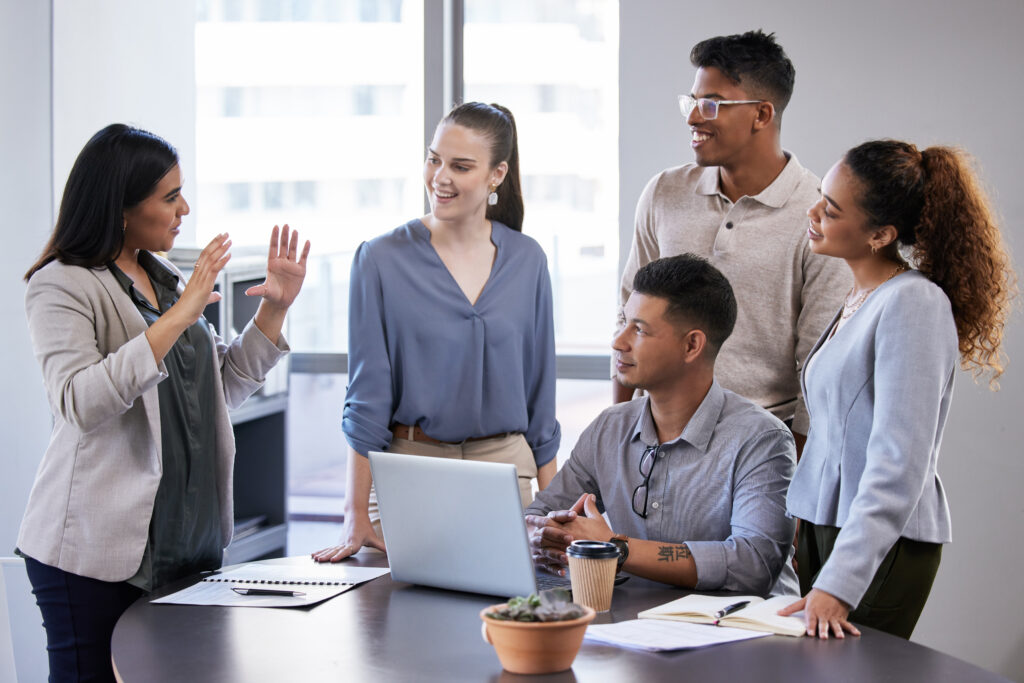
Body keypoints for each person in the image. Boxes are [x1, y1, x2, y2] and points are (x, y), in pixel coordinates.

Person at [18, 123, 310, 681]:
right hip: (95, 555)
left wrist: (273, 310)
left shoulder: (166, 277)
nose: (185, 209)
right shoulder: (61, 284)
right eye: (170, 196)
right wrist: (182, 314)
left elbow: (219, 390)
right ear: (121, 207)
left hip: (189, 547)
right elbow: (79, 400)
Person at [778, 140, 1015, 639]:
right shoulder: (862, 296)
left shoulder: (914, 305)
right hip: (828, 530)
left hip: (879, 544)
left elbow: (899, 461)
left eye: (832, 208)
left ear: (881, 234)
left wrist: (841, 581)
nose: (813, 211)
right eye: (821, 195)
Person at [313, 102, 560, 563]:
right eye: (434, 159)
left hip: (505, 475)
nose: (439, 177)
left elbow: (540, 401)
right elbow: (366, 398)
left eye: (460, 166)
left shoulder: (528, 260)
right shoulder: (381, 259)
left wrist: (554, 513)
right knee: (399, 629)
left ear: (496, 175)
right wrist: (354, 514)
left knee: (506, 624)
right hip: (410, 472)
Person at [616, 30, 850, 453]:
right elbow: (628, 316)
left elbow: (819, 367)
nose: (692, 118)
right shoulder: (663, 192)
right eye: (691, 102)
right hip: (654, 438)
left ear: (762, 114)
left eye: (711, 104)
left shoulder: (817, 215)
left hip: (758, 448)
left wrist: (793, 477)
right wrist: (616, 440)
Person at [527, 255, 797, 595]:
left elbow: (753, 563)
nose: (618, 341)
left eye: (639, 329)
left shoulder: (763, 439)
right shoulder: (610, 427)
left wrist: (616, 546)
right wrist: (540, 534)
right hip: (639, 625)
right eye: (624, 323)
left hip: (740, 632)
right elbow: (539, 514)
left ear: (691, 345)